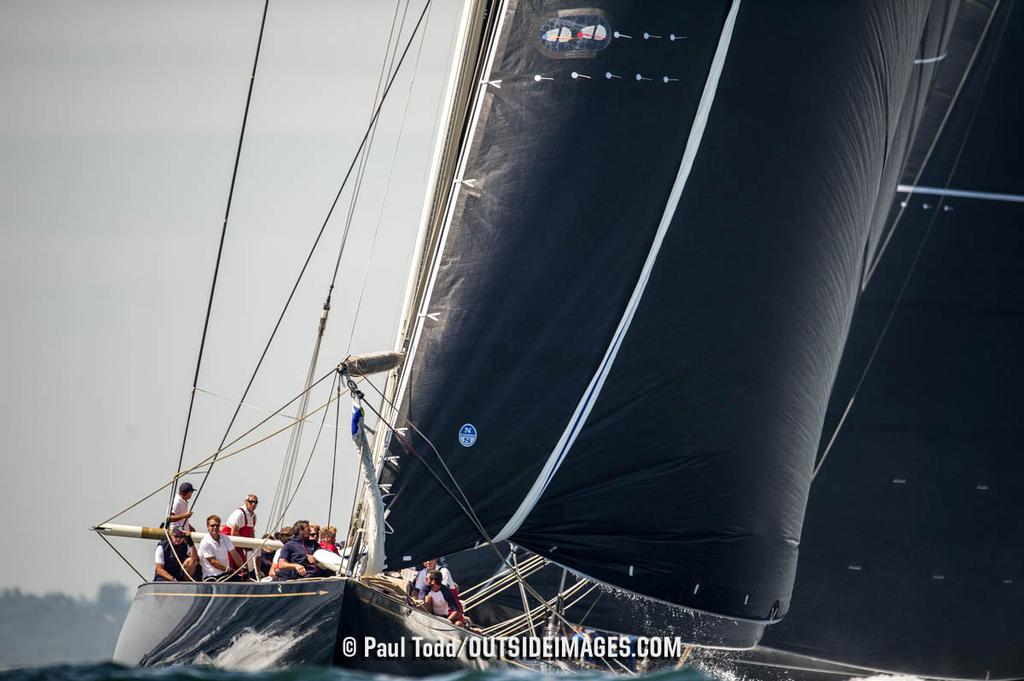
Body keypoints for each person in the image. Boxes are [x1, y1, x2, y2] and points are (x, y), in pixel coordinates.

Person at [198, 515, 247, 582]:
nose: (215, 527)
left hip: (225, 575)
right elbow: (212, 561)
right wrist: (228, 570)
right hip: (211, 577)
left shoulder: (225, 538)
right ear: (208, 527)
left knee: (246, 579)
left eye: (217, 525)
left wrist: (243, 568)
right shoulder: (205, 542)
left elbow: (234, 554)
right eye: (212, 525)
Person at [222, 494, 258, 570]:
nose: (253, 504)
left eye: (255, 502)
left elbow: (251, 532)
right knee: (231, 568)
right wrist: (246, 544)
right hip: (228, 546)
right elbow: (233, 533)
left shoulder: (253, 516)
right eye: (251, 502)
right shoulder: (239, 513)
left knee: (243, 569)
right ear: (246, 502)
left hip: (240, 546)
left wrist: (253, 545)